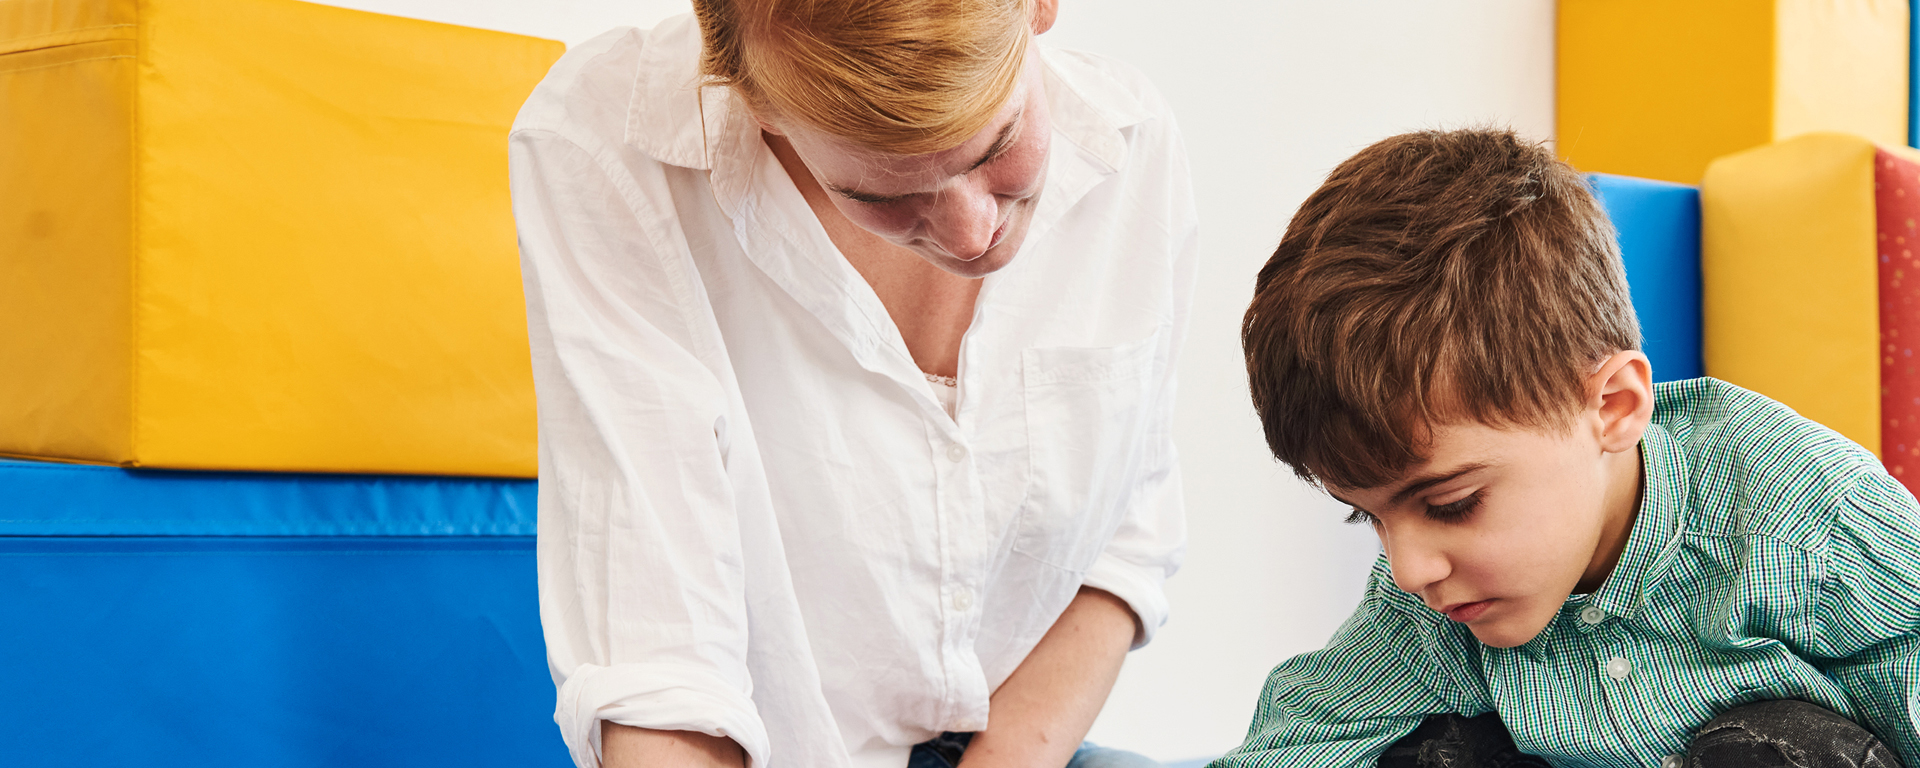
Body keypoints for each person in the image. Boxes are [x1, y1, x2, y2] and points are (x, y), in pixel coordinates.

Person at [506, 0, 1196, 766]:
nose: (974, 234)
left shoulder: (1133, 141)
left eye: (997, 143)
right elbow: (656, 659)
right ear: (757, 105)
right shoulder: (607, 145)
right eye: (884, 194)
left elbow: (1125, 539)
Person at [1220, 128, 1920, 768]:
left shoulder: (1806, 525)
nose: (1408, 569)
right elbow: (1300, 737)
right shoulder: (1435, 601)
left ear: (1612, 409)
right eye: (1365, 516)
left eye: (1453, 504)